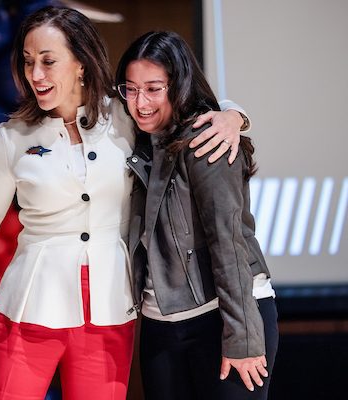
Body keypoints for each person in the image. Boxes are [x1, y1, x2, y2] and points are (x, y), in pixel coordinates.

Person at [0, 7, 249, 400]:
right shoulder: (11, 136)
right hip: (29, 307)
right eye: (28, 62)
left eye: (48, 62)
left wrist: (233, 115)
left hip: (109, 308)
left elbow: (185, 106)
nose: (36, 75)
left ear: (81, 63)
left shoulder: (126, 114)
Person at [115, 30, 278, 400]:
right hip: (160, 322)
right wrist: (236, 112)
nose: (140, 103)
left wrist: (243, 337)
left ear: (179, 85)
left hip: (222, 316)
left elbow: (228, 242)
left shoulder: (207, 139)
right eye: (131, 89)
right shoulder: (138, 134)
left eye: (154, 89)